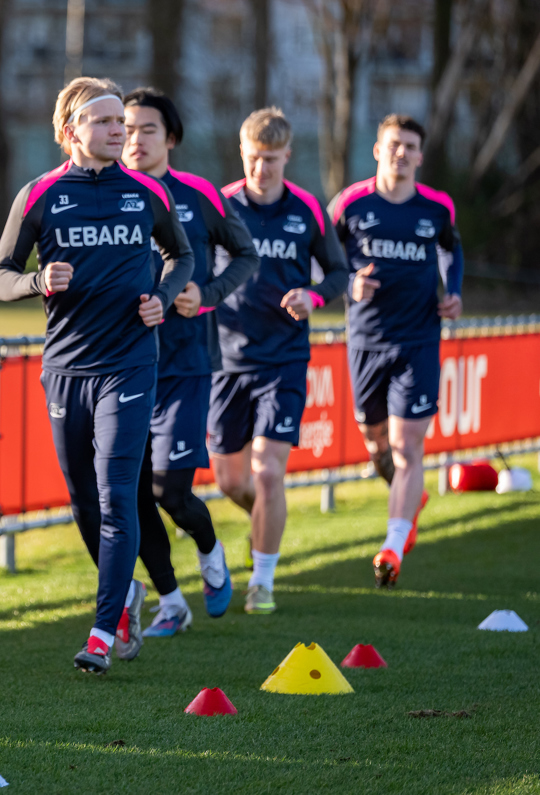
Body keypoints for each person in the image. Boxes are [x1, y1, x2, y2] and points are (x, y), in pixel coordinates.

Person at [0, 77, 194, 674]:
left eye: (120, 122)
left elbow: (181, 256)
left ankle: (103, 632)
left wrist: (162, 297)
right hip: (65, 370)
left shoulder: (146, 192)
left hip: (130, 364)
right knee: (84, 501)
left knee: (116, 494)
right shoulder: (40, 194)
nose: (117, 130)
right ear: (69, 130)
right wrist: (36, 281)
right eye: (103, 121)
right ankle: (124, 595)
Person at [120, 87, 259, 635]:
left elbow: (246, 254)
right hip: (123, 365)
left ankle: (209, 548)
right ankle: (171, 602)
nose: (134, 139)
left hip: (186, 364)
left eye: (147, 129)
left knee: (169, 491)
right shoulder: (108, 193)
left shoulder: (199, 194)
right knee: (133, 495)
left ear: (171, 138)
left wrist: (208, 292)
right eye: (127, 129)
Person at [213, 108, 348, 614]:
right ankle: (266, 522)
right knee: (231, 481)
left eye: (270, 159)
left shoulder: (307, 208)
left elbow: (338, 273)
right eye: (253, 158)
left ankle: (262, 583)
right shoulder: (220, 205)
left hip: (284, 361)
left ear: (287, 155)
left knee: (268, 473)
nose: (261, 169)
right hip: (225, 361)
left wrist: (314, 296)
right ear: (241, 153)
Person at [329, 114, 463, 588]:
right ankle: (410, 500)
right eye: (393, 144)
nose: (401, 153)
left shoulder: (437, 207)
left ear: (420, 156)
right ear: (377, 150)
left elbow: (451, 250)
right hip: (366, 341)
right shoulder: (351, 203)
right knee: (377, 443)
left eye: (409, 146)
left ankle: (393, 543)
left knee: (408, 448)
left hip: (418, 340)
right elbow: (322, 258)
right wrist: (348, 282)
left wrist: (454, 292)